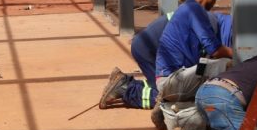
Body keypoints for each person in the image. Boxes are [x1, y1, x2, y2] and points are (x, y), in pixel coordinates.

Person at [99, 12, 233, 112]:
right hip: (149, 49)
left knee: (173, 87)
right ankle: (126, 89)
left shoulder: (220, 22)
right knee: (170, 97)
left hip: (147, 44)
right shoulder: (224, 37)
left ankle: (127, 83)